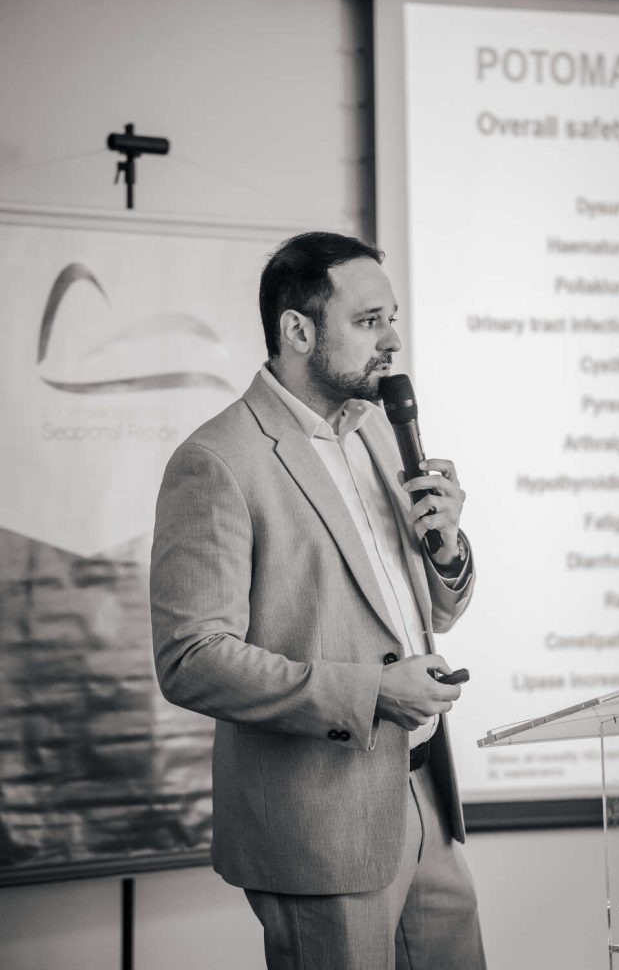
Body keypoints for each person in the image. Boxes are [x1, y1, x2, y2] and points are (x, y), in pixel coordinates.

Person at [150, 232, 486, 970]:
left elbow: (425, 614)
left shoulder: (376, 433)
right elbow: (191, 660)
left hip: (426, 793)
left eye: (391, 319)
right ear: (298, 331)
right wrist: (371, 692)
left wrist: (448, 551)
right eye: (368, 322)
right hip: (321, 826)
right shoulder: (217, 461)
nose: (392, 341)